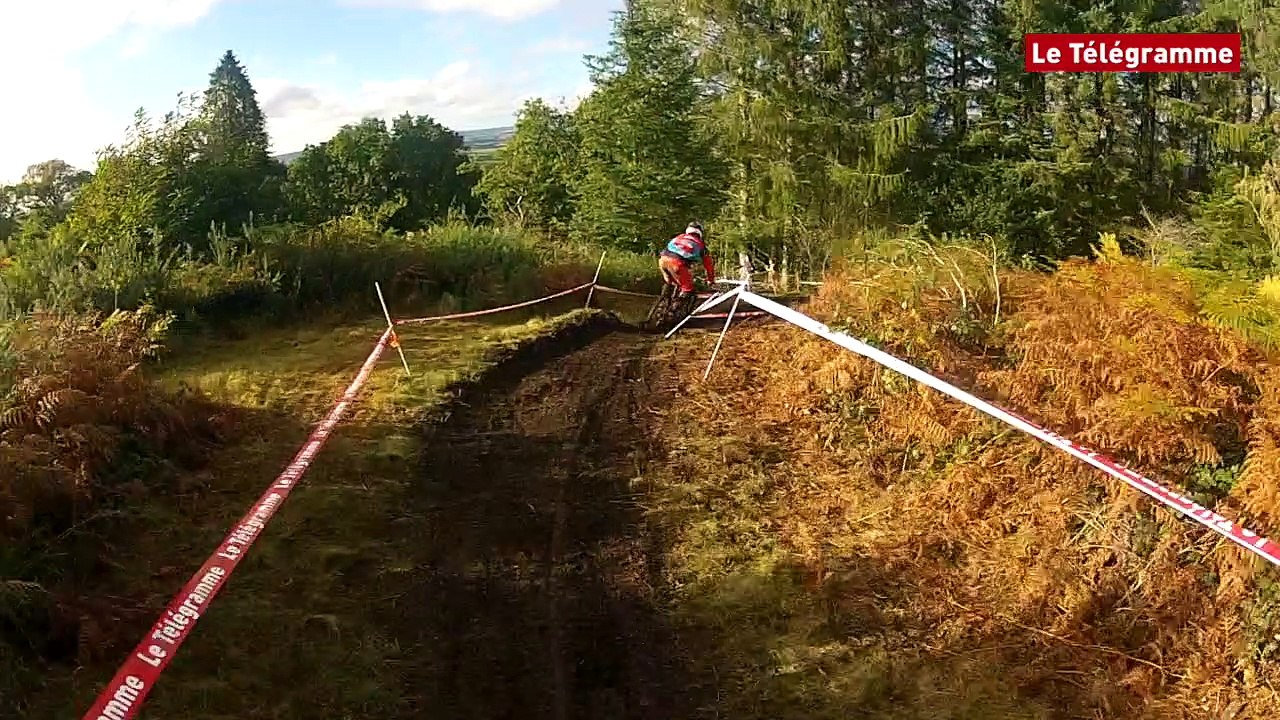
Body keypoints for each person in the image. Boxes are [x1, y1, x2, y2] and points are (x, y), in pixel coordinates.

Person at [659, 222, 716, 299]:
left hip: (663, 260)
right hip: (677, 264)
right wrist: (711, 280)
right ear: (700, 233)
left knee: (671, 283)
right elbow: (709, 265)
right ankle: (678, 309)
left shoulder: (678, 237)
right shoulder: (700, 244)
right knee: (688, 290)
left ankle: (662, 302)